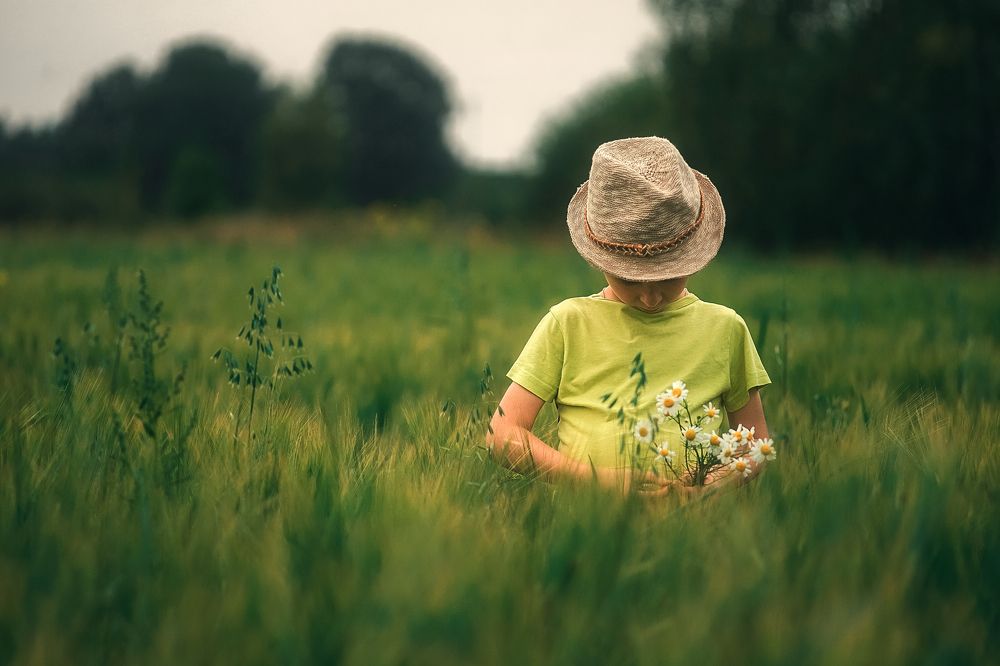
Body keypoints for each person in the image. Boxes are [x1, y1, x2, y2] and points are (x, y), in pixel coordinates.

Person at [486, 136, 772, 499]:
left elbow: (755, 444)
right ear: (600, 260)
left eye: (668, 277)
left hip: (695, 525)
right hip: (589, 523)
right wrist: (594, 480)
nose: (650, 297)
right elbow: (501, 435)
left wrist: (711, 486)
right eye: (630, 279)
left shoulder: (726, 329)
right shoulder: (568, 324)